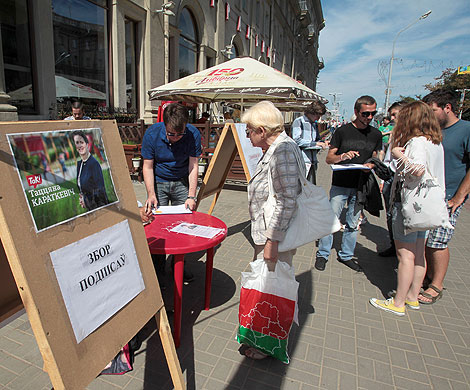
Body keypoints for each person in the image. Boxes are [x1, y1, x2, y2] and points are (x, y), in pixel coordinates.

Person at [242, 101, 305, 360]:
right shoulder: (278, 148)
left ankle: (267, 344)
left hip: (276, 236)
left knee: (271, 290)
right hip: (271, 233)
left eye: (249, 130)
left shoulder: (283, 151)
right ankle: (264, 339)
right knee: (268, 288)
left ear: (261, 129)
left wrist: (272, 242)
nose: (246, 134)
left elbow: (287, 199)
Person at [370, 101, 445, 315]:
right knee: (419, 253)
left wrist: (398, 154)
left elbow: (418, 169)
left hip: (410, 205)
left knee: (406, 256)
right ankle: (412, 297)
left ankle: (398, 302)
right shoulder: (435, 143)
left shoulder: (417, 142)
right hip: (427, 205)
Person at [315, 96, 382, 272]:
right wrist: (342, 157)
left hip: (361, 185)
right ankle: (323, 253)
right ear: (356, 112)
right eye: (365, 113)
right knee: (331, 221)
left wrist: (372, 164)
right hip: (341, 184)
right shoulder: (342, 132)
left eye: (373, 113)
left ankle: (346, 255)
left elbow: (377, 157)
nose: (369, 117)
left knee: (353, 224)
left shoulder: (376, 134)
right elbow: (329, 159)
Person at [418, 89, 470, 304]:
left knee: (438, 242)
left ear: (447, 108)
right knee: (426, 240)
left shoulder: (465, 130)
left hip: (448, 196)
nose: (429, 115)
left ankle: (436, 284)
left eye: (433, 110)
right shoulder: (433, 130)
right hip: (429, 194)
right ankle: (428, 275)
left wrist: (459, 197)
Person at [141, 103, 202, 284]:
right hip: (159, 181)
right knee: (156, 224)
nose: (175, 138)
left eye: (180, 133)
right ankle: (157, 269)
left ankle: (179, 266)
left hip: (182, 180)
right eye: (171, 134)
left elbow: (193, 165)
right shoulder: (152, 134)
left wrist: (191, 195)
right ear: (164, 124)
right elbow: (148, 166)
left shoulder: (192, 134)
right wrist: (151, 194)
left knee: (184, 224)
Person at [379, 101, 405, 257]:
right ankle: (393, 245)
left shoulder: (414, 135)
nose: (392, 118)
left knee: (400, 215)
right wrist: (383, 180)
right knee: (390, 214)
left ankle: (403, 248)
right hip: (390, 178)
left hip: (403, 180)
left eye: (395, 114)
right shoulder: (396, 133)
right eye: (391, 115)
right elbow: (388, 159)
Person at [291, 101, 329, 184]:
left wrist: (323, 142)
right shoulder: (299, 122)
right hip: (302, 161)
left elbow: (317, 140)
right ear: (311, 112)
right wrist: (315, 144)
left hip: (313, 161)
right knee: (301, 187)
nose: (318, 118)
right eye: (317, 115)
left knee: (311, 188)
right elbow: (297, 140)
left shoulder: (314, 124)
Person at [72, 130, 108, 211]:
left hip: (98, 210)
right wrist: (82, 198)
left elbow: (100, 192)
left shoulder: (94, 164)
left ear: (87, 144)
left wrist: (86, 201)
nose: (80, 145)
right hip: (90, 209)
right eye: (77, 143)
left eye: (81, 142)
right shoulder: (80, 164)